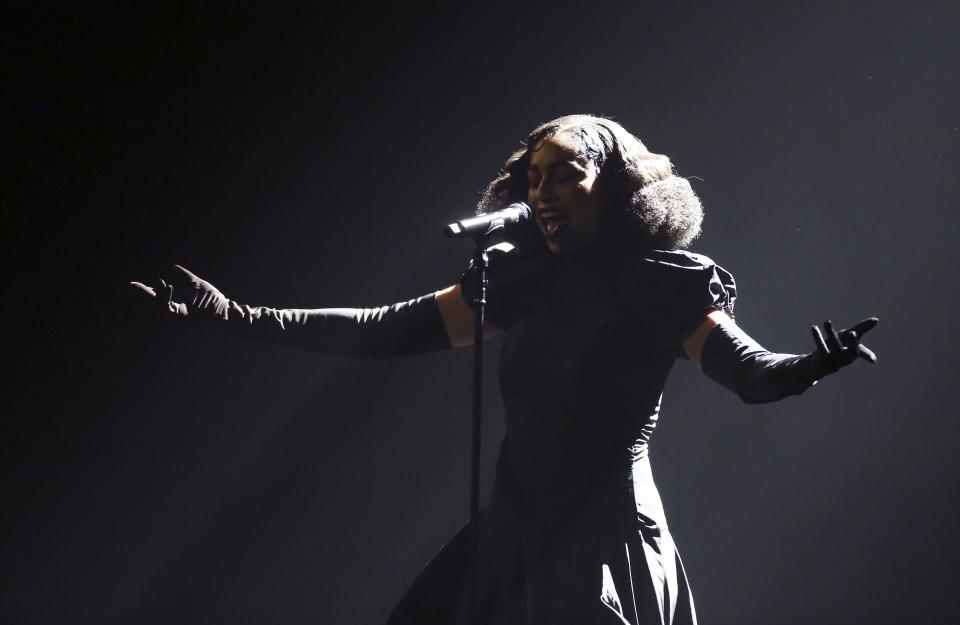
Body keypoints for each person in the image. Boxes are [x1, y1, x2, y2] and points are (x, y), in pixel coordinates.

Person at [132, 114, 878, 625]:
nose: (542, 193)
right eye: (534, 178)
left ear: (615, 187)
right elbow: (387, 330)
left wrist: (803, 366)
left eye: (565, 175)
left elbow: (746, 369)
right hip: (513, 531)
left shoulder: (657, 284)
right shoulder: (519, 281)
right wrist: (233, 316)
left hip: (599, 540)